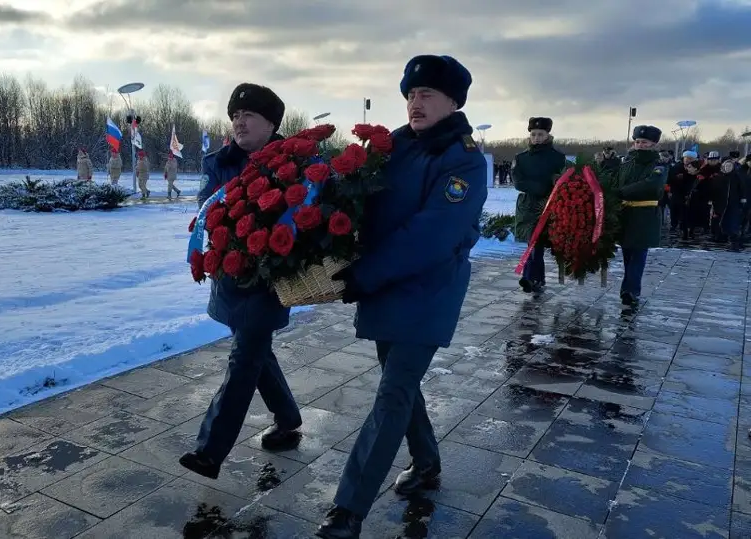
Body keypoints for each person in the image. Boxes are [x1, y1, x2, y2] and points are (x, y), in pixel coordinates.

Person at [316, 55, 488, 539]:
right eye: (411, 94)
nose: (415, 102)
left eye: (427, 94)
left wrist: (363, 275)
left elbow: (432, 234)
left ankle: (347, 511)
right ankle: (428, 462)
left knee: (392, 392)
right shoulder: (395, 146)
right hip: (386, 285)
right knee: (400, 382)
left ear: (453, 101)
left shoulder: (464, 158)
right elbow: (363, 200)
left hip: (427, 290)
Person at [179, 83, 302, 481]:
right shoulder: (219, 162)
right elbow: (207, 211)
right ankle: (287, 417)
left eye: (249, 115)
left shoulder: (294, 162)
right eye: (235, 115)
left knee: (245, 356)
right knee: (254, 351)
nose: (239, 122)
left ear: (271, 124)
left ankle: (209, 451)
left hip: (269, 279)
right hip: (230, 274)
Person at [512, 117, 567, 293]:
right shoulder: (521, 158)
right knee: (533, 242)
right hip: (528, 206)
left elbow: (564, 180)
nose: (536, 137)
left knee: (539, 243)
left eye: (540, 134)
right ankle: (531, 277)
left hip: (549, 205)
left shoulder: (558, 158)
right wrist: (541, 187)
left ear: (547, 135)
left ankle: (534, 277)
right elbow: (518, 182)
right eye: (533, 134)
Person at [615, 125, 666, 307]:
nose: (640, 145)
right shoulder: (626, 163)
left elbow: (651, 185)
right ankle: (628, 288)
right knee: (627, 253)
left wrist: (622, 192)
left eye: (644, 142)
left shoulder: (658, 165)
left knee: (638, 253)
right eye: (637, 142)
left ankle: (631, 290)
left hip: (645, 215)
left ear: (653, 144)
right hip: (626, 215)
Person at [710, 153, 746, 250]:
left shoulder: (736, 176)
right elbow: (714, 190)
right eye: (726, 165)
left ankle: (734, 241)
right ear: (723, 166)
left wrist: (742, 198)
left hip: (733, 203)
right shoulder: (719, 177)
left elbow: (741, 188)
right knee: (721, 221)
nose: (728, 167)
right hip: (721, 203)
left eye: (730, 165)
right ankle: (721, 237)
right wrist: (712, 200)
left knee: (732, 222)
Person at [668, 150, 700, 239]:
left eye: (689, 158)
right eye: (686, 158)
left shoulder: (696, 167)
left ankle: (685, 229)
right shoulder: (677, 167)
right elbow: (670, 179)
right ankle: (674, 225)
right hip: (677, 192)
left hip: (689, 194)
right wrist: (676, 178)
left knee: (686, 212)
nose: (687, 160)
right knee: (674, 210)